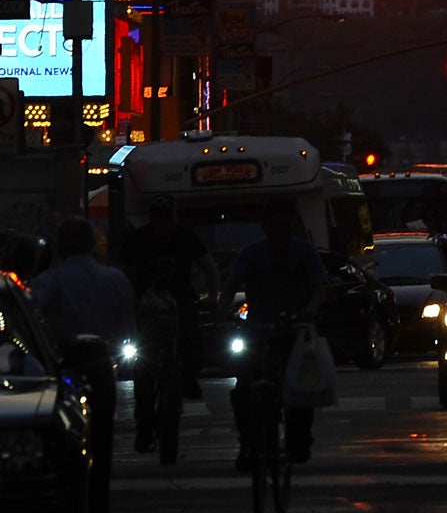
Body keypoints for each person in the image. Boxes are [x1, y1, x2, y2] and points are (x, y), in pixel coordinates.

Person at [31, 217, 135, 513]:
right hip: (102, 366)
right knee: (100, 460)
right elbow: (126, 327)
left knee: (64, 456)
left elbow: (33, 316)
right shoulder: (115, 279)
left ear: (60, 246)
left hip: (67, 367)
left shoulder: (51, 281)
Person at [223, 196, 328, 471]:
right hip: (258, 333)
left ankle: (299, 440)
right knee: (243, 389)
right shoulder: (251, 254)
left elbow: (320, 288)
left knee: (302, 389)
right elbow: (230, 286)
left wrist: (309, 311)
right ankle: (248, 442)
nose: (279, 231)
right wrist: (220, 310)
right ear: (264, 226)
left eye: (284, 225)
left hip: (294, 331)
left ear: (292, 225)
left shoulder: (305, 253)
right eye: (274, 225)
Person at [117, 194, 214, 451]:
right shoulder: (138, 239)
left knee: (192, 343)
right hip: (146, 309)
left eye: (166, 217)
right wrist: (127, 302)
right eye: (158, 217)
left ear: (174, 217)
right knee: (143, 368)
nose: (162, 222)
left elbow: (209, 268)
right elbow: (123, 273)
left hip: (181, 305)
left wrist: (212, 298)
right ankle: (144, 426)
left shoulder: (187, 237)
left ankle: (190, 376)